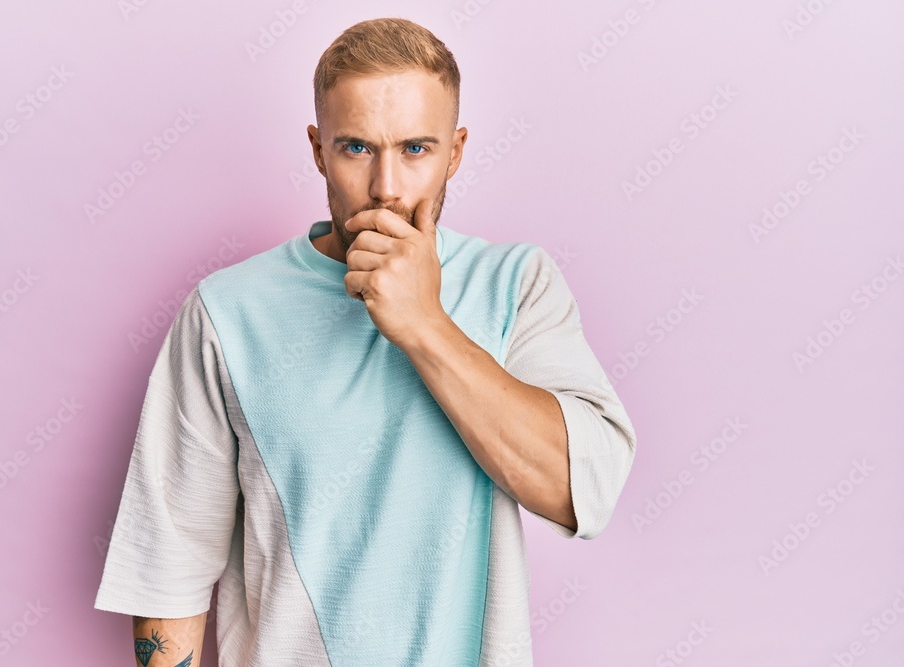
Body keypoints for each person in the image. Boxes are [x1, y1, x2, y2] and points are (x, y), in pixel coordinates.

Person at [94, 17, 637, 666]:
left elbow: (580, 489)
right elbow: (169, 561)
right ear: (318, 149)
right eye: (356, 148)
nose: (386, 187)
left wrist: (425, 324)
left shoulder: (516, 285)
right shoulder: (227, 311)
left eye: (416, 149)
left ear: (455, 152)